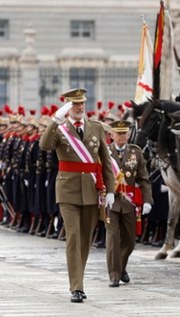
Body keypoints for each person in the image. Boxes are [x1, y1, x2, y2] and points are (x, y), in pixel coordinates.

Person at [39, 88, 115, 303]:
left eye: (82, 103)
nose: (80, 107)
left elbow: (106, 162)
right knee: (72, 236)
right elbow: (44, 145)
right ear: (67, 107)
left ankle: (78, 279)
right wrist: (55, 120)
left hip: (92, 190)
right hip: (68, 191)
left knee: (84, 239)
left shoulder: (96, 128)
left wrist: (110, 190)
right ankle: (77, 287)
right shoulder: (60, 130)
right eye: (75, 104)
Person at [106, 120, 153, 287]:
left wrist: (147, 200)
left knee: (130, 241)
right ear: (111, 135)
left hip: (129, 202)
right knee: (112, 238)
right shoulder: (105, 152)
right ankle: (114, 275)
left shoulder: (136, 152)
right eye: (118, 133)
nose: (122, 136)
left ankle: (121, 267)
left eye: (124, 133)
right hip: (110, 202)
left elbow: (144, 178)